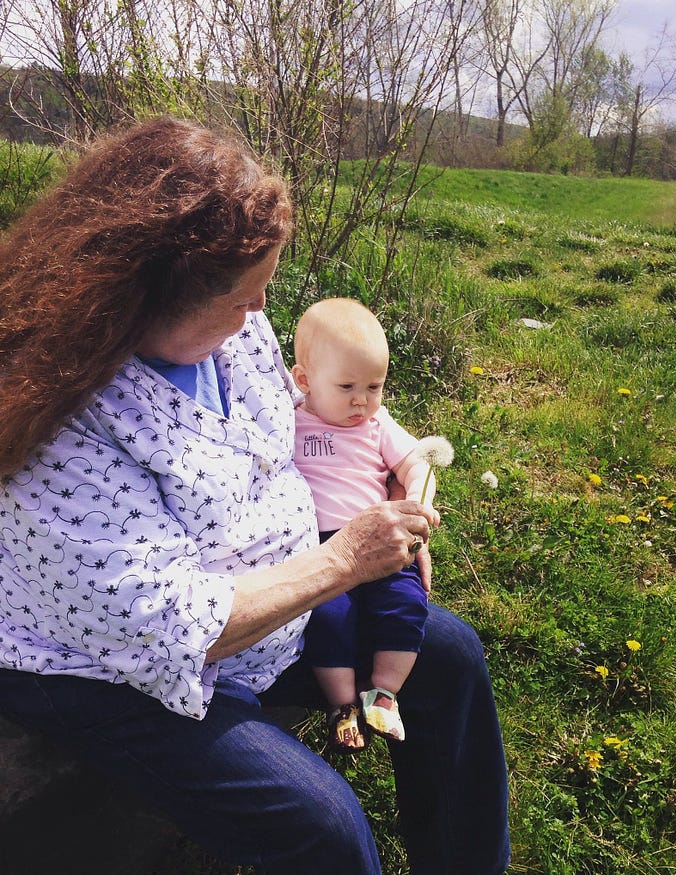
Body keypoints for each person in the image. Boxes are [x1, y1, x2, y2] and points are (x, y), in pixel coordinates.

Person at [0, 116, 510, 875]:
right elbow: (171, 625)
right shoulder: (59, 421)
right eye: (244, 296)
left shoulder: (233, 334)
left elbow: (290, 441)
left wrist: (386, 486)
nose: (261, 308)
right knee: (325, 828)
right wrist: (344, 561)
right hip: (113, 668)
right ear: (146, 297)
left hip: (275, 606)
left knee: (453, 657)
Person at [292, 297, 439, 751]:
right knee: (326, 616)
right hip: (318, 545)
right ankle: (341, 707)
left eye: (375, 386)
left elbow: (416, 463)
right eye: (347, 386)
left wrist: (413, 504)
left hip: (381, 537)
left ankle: (384, 694)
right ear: (304, 380)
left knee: (406, 604)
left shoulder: (377, 425)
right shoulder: (286, 418)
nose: (363, 400)